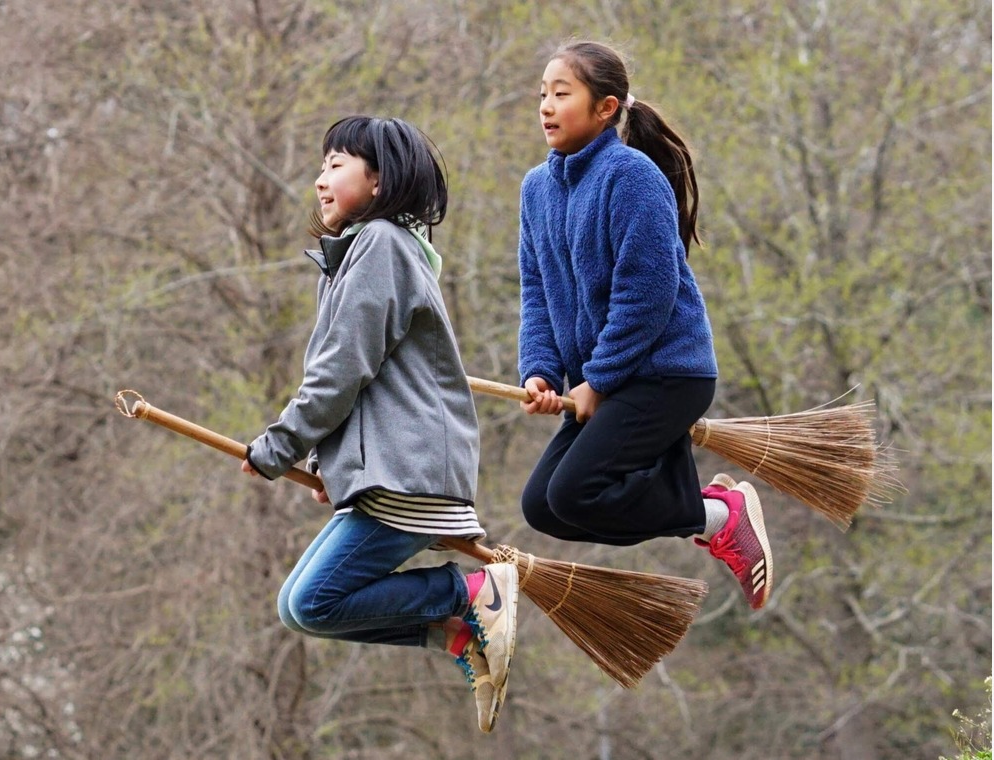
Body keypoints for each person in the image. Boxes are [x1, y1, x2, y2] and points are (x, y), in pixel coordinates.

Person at [241, 116, 518, 732]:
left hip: (410, 471)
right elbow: (367, 383)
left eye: (336, 164)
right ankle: (454, 632)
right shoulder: (358, 254)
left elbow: (344, 368)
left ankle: (467, 596)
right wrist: (323, 466)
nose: (319, 180)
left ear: (380, 180)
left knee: (315, 602)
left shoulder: (381, 245)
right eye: (321, 165)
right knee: (296, 607)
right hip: (386, 469)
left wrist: (283, 445)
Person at [516, 41, 774, 610]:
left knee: (576, 493)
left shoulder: (631, 176)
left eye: (562, 94)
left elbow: (648, 297)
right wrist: (540, 371)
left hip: (665, 375)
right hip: (610, 378)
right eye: (542, 94)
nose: (546, 106)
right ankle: (699, 501)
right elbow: (535, 290)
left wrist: (598, 381)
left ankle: (714, 516)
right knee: (542, 506)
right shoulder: (536, 189)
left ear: (606, 108)